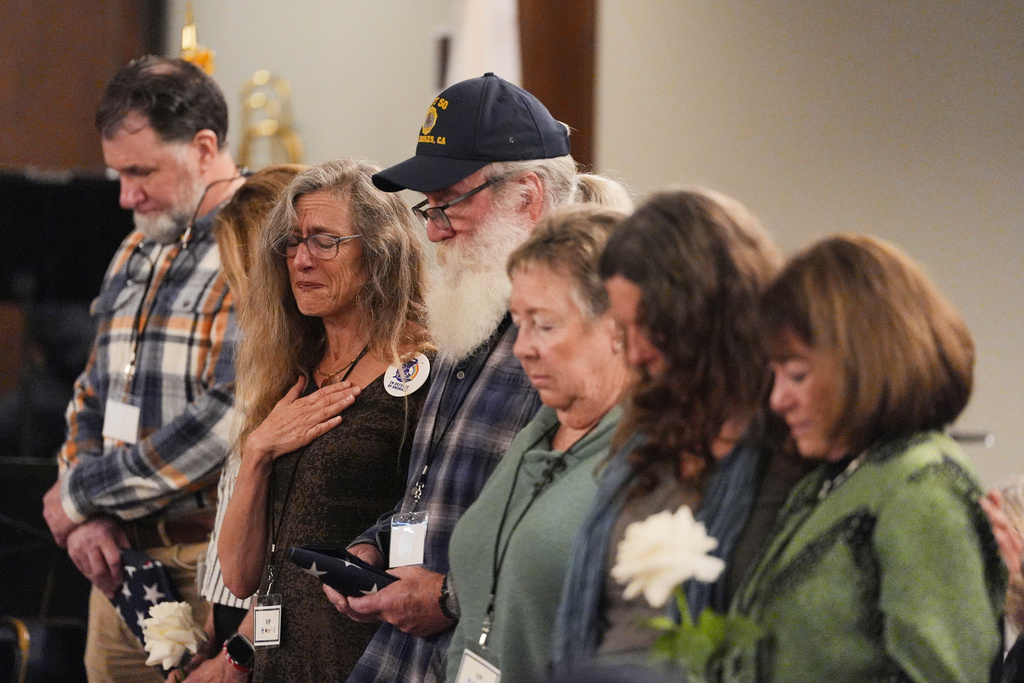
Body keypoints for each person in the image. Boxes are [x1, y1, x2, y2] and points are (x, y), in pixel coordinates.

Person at [323, 72, 595, 682]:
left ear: (527, 196)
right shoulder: (470, 307)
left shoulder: (586, 338)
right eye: (429, 209)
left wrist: (449, 596)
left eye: (450, 204)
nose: (435, 230)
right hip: (404, 658)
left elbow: (581, 536)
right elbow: (442, 490)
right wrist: (375, 544)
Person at [41, 55, 245, 682]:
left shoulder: (256, 242)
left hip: (206, 559)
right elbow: (92, 387)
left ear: (205, 148)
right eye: (118, 173)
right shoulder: (138, 243)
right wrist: (87, 520)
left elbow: (226, 418)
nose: (126, 195)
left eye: (140, 172)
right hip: (119, 560)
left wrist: (78, 494)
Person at [727, 234, 1005, 682]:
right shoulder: (833, 478)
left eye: (797, 374)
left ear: (863, 363)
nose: (777, 399)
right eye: (773, 375)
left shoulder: (923, 484)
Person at [550, 189, 793, 672]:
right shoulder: (649, 428)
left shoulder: (788, 446)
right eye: (624, 327)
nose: (635, 352)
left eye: (651, 326)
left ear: (705, 317)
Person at [217, 159, 434, 681]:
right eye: (292, 243)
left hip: (369, 658)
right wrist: (258, 453)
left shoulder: (425, 372)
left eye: (324, 240)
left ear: (380, 251)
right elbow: (240, 575)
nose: (301, 261)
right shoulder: (290, 374)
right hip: (280, 657)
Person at [444, 204, 631, 682]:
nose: (523, 346)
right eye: (517, 321)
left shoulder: (649, 457)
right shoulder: (541, 431)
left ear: (617, 325)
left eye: (544, 324)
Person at [169, 165, 304, 683]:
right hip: (234, 613)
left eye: (237, 273)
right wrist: (215, 612)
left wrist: (239, 650)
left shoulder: (308, 369)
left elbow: (296, 534)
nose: (236, 295)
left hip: (265, 631)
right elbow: (237, 495)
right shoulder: (266, 358)